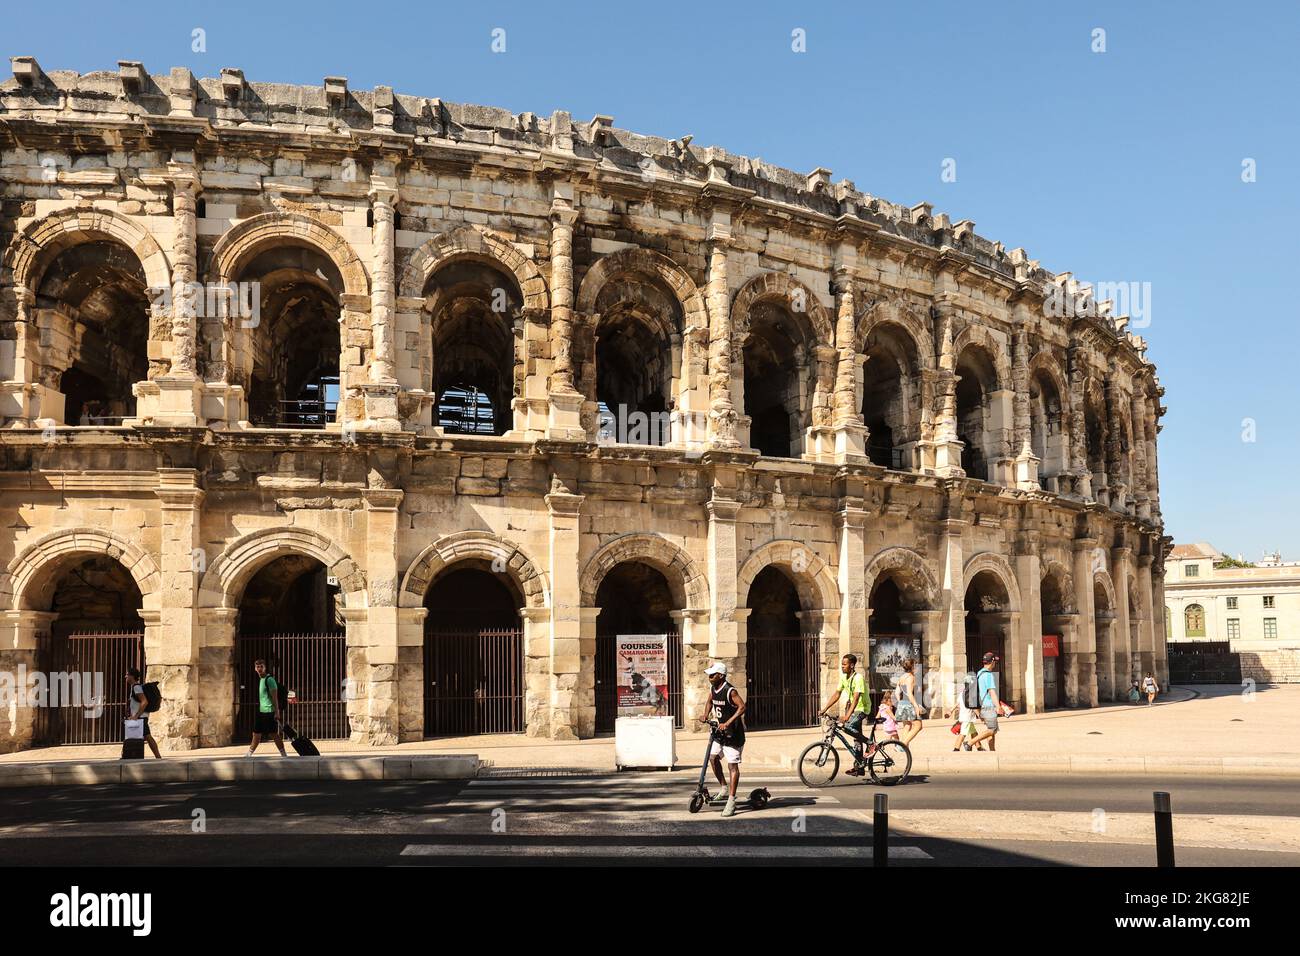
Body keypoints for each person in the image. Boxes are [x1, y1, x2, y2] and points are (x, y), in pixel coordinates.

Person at [697, 662, 746, 817]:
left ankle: (731, 801)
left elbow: (742, 707)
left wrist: (728, 722)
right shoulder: (713, 689)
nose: (710, 677)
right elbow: (710, 702)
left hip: (733, 735)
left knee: (732, 767)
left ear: (721, 675)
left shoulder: (730, 691)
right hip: (719, 733)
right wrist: (705, 714)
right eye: (709, 674)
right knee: (712, 758)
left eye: (713, 674)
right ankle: (724, 788)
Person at [817, 654, 871, 776]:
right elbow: (837, 694)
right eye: (842, 664)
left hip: (862, 709)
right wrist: (825, 709)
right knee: (857, 739)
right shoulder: (844, 677)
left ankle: (870, 744)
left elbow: (856, 699)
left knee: (847, 727)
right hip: (853, 709)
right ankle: (859, 766)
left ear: (852, 665)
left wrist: (847, 716)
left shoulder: (858, 678)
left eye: (844, 664)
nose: (842, 666)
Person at [246, 659, 288, 757]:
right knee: (256, 734)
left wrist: (277, 712)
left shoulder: (270, 680)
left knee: (273, 734)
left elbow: (275, 698)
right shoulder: (261, 679)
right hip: (261, 712)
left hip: (269, 711)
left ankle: (283, 754)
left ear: (265, 668)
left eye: (261, 666)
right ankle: (249, 754)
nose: (259, 668)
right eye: (257, 667)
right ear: (255, 669)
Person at [966, 652, 1003, 752]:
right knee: (992, 729)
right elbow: (992, 692)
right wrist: (998, 707)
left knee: (990, 730)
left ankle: (992, 751)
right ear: (992, 662)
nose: (995, 663)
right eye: (995, 661)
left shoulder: (980, 673)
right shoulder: (988, 675)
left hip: (981, 705)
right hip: (988, 706)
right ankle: (970, 743)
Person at [125, 667, 162, 759]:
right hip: (140, 717)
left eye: (127, 674)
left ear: (132, 676)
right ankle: (132, 756)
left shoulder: (136, 687)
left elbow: (144, 701)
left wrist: (136, 716)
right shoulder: (135, 687)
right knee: (135, 737)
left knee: (147, 737)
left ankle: (158, 757)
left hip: (140, 717)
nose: (125, 676)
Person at [894, 658, 926, 746]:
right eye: (915, 666)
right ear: (912, 667)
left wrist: (900, 702)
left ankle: (904, 749)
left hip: (902, 703)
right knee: (918, 726)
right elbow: (909, 693)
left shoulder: (901, 677)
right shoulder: (911, 677)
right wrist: (916, 706)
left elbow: (897, 692)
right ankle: (903, 745)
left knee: (906, 726)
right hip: (909, 704)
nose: (917, 668)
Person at [949, 681, 984, 752]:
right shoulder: (970, 695)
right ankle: (956, 748)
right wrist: (979, 715)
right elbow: (973, 707)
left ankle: (979, 747)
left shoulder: (962, 693)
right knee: (963, 734)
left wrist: (951, 710)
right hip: (967, 717)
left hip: (964, 716)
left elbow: (957, 703)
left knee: (974, 733)